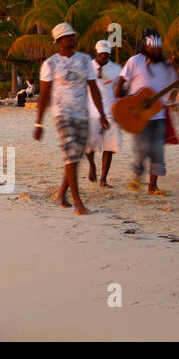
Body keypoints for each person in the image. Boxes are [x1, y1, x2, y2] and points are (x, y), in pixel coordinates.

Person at [34, 23, 105, 215]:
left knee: (74, 157)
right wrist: (38, 123)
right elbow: (44, 95)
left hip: (82, 114)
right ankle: (77, 202)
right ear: (59, 41)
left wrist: (102, 114)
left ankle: (61, 193)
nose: (72, 39)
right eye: (68, 37)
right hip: (62, 114)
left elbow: (93, 88)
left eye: (73, 35)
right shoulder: (50, 64)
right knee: (72, 154)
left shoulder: (84, 60)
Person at [118, 33, 178, 195]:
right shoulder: (135, 61)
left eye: (158, 49)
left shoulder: (166, 66)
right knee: (142, 149)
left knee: (158, 150)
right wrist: (124, 100)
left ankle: (153, 187)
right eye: (153, 48)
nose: (156, 51)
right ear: (146, 48)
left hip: (158, 115)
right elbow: (121, 81)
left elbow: (173, 87)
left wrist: (173, 97)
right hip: (138, 114)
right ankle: (137, 174)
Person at [85, 40, 122, 187]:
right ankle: (92, 165)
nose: (104, 57)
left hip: (110, 112)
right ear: (96, 53)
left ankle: (103, 179)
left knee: (109, 147)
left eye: (107, 55)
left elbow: (120, 90)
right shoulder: (87, 68)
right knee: (89, 146)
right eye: (101, 54)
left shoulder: (116, 69)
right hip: (91, 112)